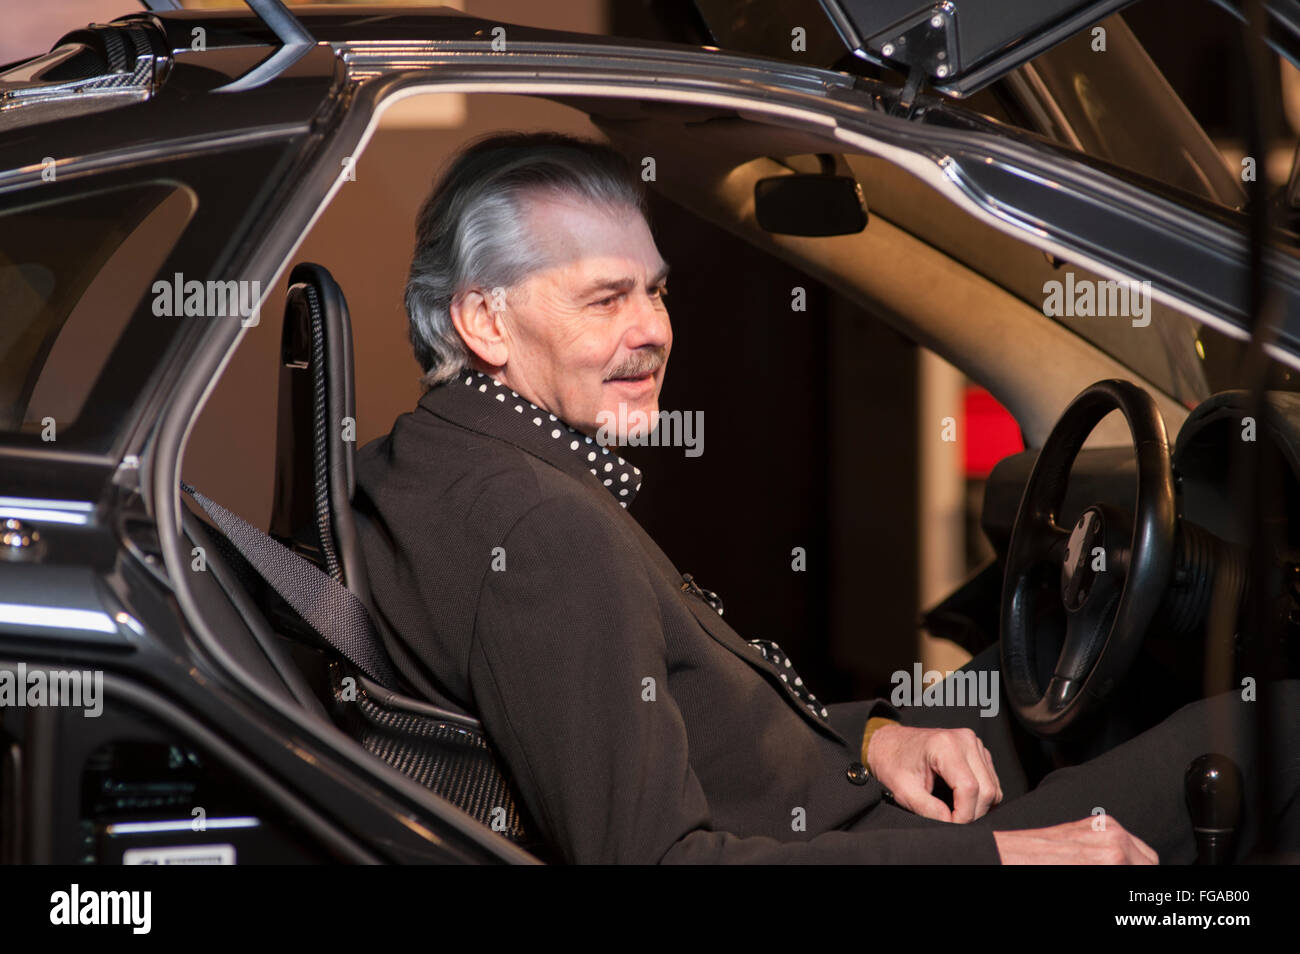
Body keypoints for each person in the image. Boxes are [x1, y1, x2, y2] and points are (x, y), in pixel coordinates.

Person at [352, 131, 1298, 863]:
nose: (653, 333)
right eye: (606, 301)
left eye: (658, 292)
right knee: (1282, 725)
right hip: (871, 846)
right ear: (484, 318)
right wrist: (1005, 854)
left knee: (1068, 693)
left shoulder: (426, 461)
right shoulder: (540, 531)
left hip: (844, 793)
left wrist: (877, 737)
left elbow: (698, 736)